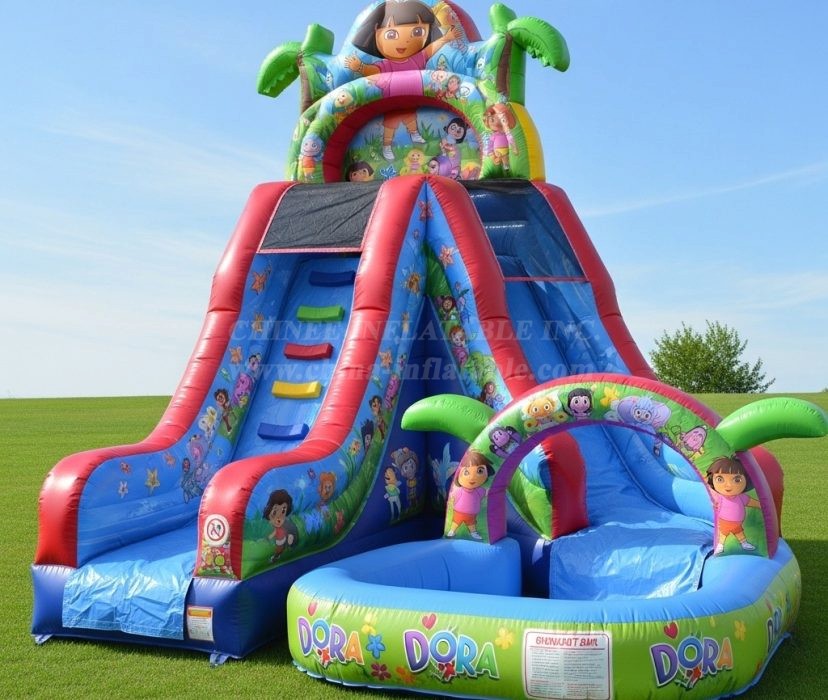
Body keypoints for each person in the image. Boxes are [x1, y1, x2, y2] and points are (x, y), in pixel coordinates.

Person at [344, 0, 460, 160]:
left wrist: (446, 38)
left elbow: (430, 49)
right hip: (391, 102)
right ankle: (387, 146)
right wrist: (360, 67)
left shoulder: (416, 59)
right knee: (391, 124)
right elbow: (373, 72)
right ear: (376, 32)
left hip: (412, 100)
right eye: (391, 34)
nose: (404, 41)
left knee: (410, 116)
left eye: (417, 32)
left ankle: (414, 133)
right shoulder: (386, 64)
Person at [706, 456, 760, 554]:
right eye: (720, 479)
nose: (728, 485)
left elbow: (750, 502)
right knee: (723, 533)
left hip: (738, 522)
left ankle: (744, 543)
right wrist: (714, 505)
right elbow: (713, 501)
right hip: (725, 521)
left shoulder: (741, 497)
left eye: (737, 480)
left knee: (739, 532)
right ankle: (720, 545)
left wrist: (761, 506)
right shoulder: (720, 497)